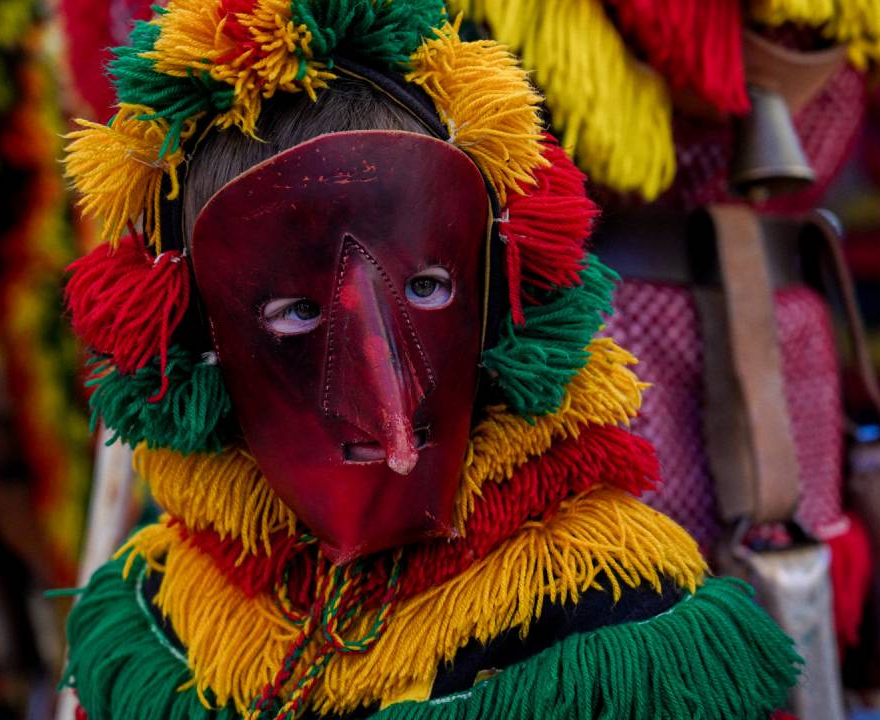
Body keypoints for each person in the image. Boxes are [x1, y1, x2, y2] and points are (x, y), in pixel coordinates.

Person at [59, 2, 802, 718]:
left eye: (426, 287)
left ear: (500, 291)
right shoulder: (169, 612)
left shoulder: (602, 617)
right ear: (199, 341)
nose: (388, 408)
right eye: (298, 312)